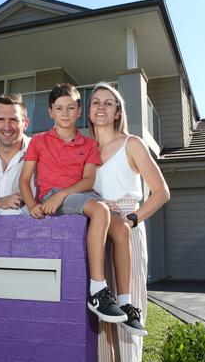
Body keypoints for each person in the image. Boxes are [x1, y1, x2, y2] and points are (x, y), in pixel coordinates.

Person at [19, 83, 131, 325]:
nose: (65, 113)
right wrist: (31, 205)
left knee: (121, 227)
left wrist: (66, 195)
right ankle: (98, 291)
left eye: (71, 107)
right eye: (59, 108)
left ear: (79, 110)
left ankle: (126, 301)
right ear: (51, 112)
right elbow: (25, 180)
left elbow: (89, 179)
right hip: (52, 197)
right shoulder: (38, 142)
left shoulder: (89, 145)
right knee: (100, 209)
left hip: (78, 194)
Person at [89, 82, 171, 362]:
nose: (101, 107)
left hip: (126, 228)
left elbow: (161, 192)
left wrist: (133, 218)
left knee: (127, 310)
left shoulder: (131, 143)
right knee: (100, 317)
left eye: (108, 103)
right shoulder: (84, 150)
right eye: (95, 102)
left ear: (117, 112)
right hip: (96, 233)